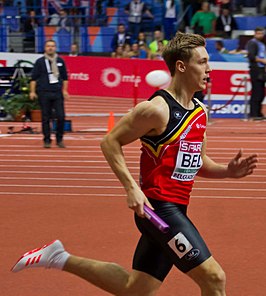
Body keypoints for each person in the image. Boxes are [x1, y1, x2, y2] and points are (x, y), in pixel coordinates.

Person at [11, 32, 258, 295]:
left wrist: (228, 171)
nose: (209, 69)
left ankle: (58, 257)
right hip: (158, 211)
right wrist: (132, 188)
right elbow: (110, 142)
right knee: (214, 278)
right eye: (203, 62)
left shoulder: (199, 111)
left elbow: (198, 163)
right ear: (181, 66)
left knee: (136, 289)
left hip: (177, 210)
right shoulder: (156, 110)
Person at [29, 39, 69, 148]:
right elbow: (33, 78)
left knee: (61, 116)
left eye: (52, 46)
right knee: (45, 117)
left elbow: (65, 78)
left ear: (55, 48)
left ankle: (59, 139)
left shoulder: (60, 61)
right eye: (48, 46)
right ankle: (47, 140)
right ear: (45, 48)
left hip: (57, 93)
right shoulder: (40, 62)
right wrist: (32, 92)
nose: (50, 48)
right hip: (44, 92)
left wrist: (65, 90)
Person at [246, 27, 266, 120]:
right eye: (258, 33)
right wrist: (263, 61)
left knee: (261, 92)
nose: (260, 35)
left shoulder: (262, 43)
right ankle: (253, 113)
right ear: (255, 33)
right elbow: (251, 56)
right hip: (255, 69)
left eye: (261, 33)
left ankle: (258, 113)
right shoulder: (252, 43)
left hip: (262, 69)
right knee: (256, 91)